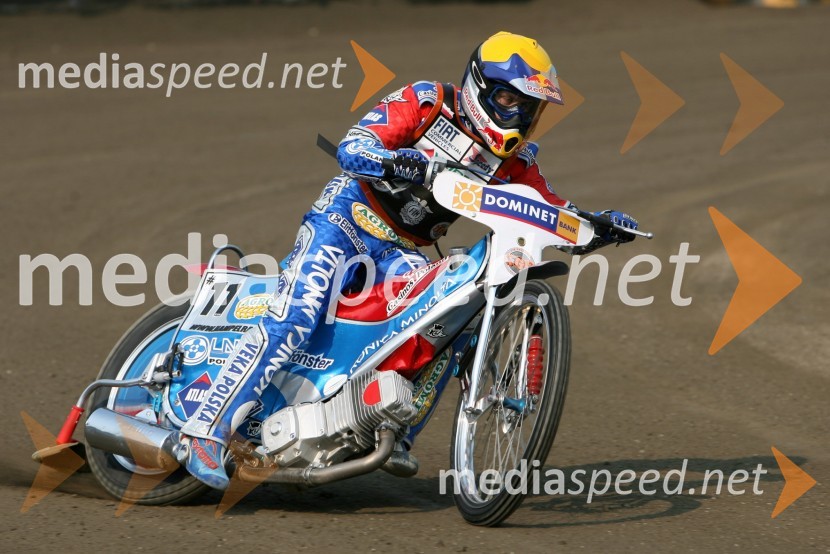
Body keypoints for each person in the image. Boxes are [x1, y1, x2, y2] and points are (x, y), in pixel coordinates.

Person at [178, 31, 639, 490]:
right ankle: (205, 429)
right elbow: (353, 147)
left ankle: (391, 426)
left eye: (528, 108)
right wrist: (399, 163)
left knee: (456, 314)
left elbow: (550, 211)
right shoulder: (427, 101)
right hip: (345, 220)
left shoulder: (516, 165)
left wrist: (596, 226)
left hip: (402, 253)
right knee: (296, 313)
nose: (517, 116)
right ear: (479, 86)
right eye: (507, 100)